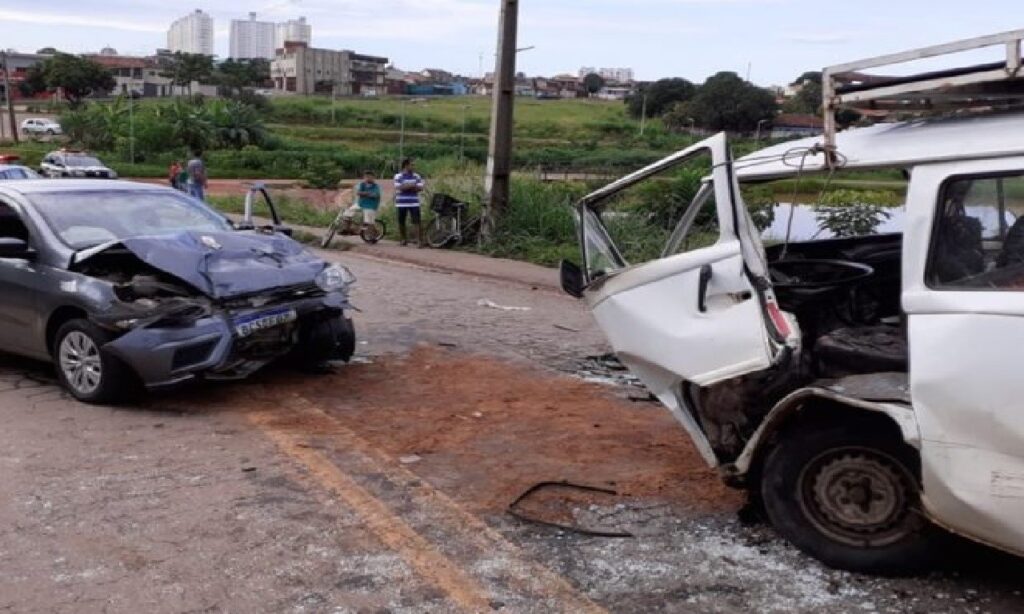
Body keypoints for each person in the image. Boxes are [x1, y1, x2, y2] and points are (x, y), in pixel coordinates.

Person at [393, 158, 425, 247]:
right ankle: (403, 239)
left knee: (417, 222)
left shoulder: (417, 176)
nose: (413, 166)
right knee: (401, 221)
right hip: (401, 202)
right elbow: (399, 187)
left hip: (414, 202)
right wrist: (412, 185)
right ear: (406, 165)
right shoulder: (398, 176)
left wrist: (407, 186)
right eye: (412, 165)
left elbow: (420, 188)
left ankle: (418, 240)